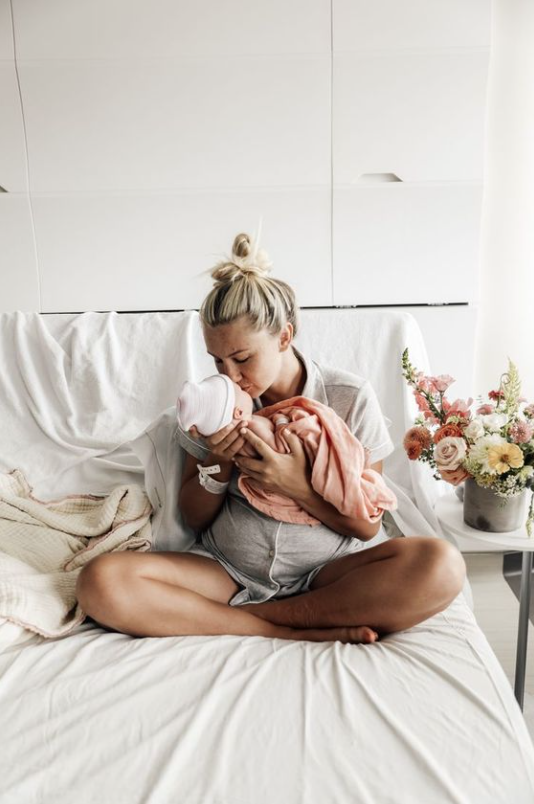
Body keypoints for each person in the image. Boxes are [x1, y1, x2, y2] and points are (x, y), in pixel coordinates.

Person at [76, 232, 466, 645]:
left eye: (242, 358)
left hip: (329, 571)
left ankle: (261, 616)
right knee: (100, 581)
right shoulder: (216, 403)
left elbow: (367, 527)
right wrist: (216, 464)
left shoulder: (347, 398)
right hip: (227, 569)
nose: (230, 375)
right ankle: (277, 625)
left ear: (284, 337)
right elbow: (193, 518)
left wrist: (295, 485)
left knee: (441, 565)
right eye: (217, 360)